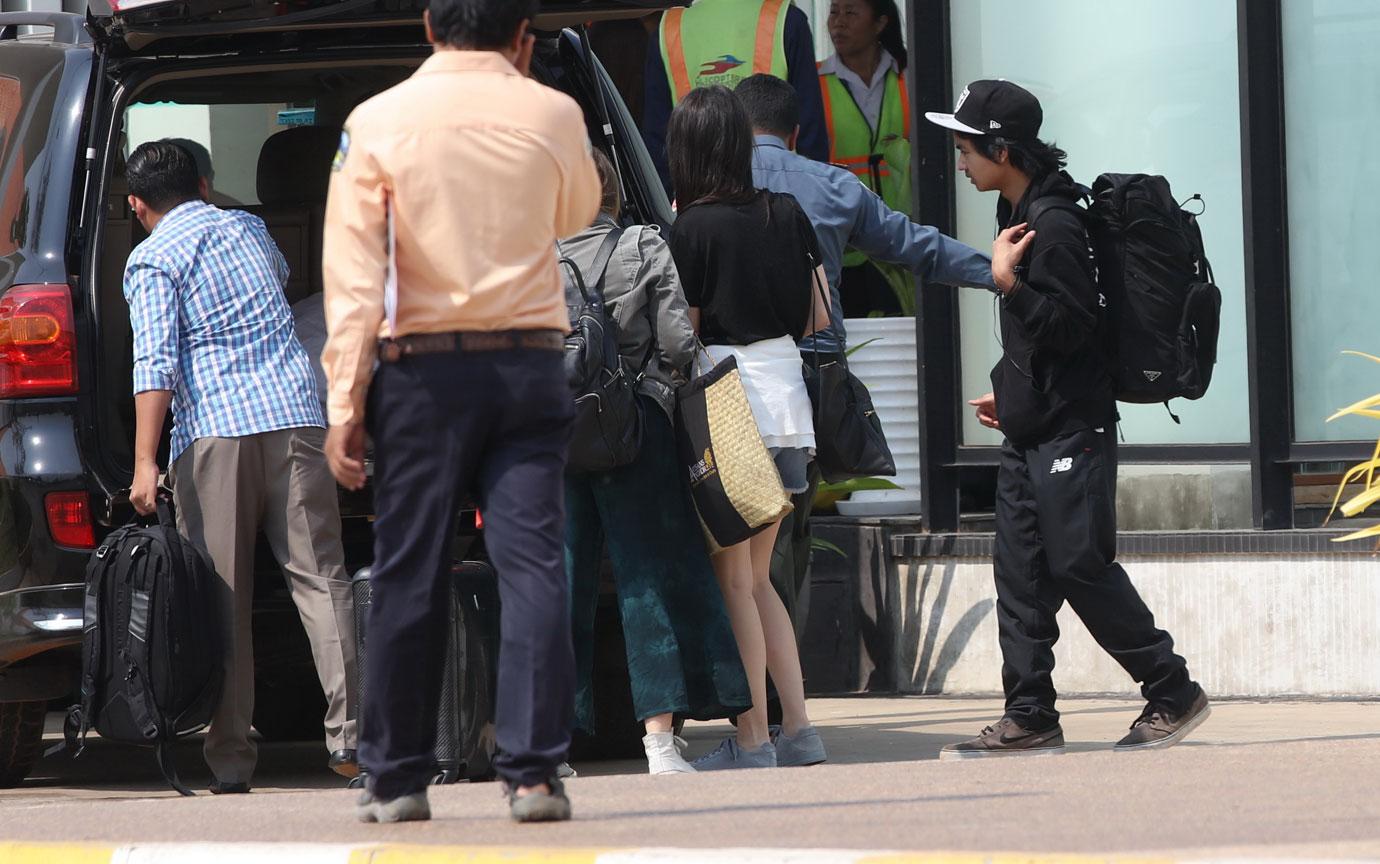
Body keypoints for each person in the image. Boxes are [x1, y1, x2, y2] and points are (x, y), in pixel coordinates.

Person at [321, 0, 599, 823]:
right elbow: (576, 214)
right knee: (534, 566)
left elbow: (354, 273)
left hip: (422, 375)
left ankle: (399, 777)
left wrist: (346, 398)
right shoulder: (554, 111)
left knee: (410, 567)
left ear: (429, 26)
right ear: (522, 38)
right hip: (529, 365)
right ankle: (534, 773)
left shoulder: (377, 121)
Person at [924, 80, 1211, 757]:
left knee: (1079, 563)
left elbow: (1074, 327)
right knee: (1019, 575)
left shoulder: (1053, 225)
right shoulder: (1016, 209)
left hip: (1072, 431)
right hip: (1034, 427)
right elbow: (1038, 343)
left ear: (1001, 148)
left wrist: (1008, 284)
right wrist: (1012, 393)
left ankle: (1172, 690)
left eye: (965, 147)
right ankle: (1030, 715)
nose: (958, 160)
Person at [122, 140, 359, 793]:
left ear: (136, 204)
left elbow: (155, 364)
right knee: (322, 579)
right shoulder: (249, 227)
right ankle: (356, 738)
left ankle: (231, 759)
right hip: (296, 420)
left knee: (224, 599)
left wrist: (145, 461)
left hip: (216, 438)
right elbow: (280, 278)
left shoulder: (152, 260)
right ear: (205, 183)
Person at [735, 72, 996, 618]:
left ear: (732, 127)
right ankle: (784, 682)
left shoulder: (699, 189)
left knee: (733, 538)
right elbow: (914, 246)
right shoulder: (832, 185)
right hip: (809, 378)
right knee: (791, 531)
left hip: (726, 375)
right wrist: (994, 272)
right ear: (796, 131)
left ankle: (746, 688)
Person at [560, 150, 751, 776]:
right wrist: (655, 391)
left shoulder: (528, 259)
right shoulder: (643, 245)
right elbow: (677, 344)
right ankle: (660, 743)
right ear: (612, 195)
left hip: (552, 437)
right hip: (636, 434)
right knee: (646, 582)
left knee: (559, 582)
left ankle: (545, 745)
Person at [666, 85, 831, 771]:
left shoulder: (692, 230)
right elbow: (820, 319)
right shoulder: (787, 212)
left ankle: (755, 739)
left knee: (736, 581)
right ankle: (800, 730)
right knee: (761, 580)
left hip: (733, 413)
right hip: (791, 411)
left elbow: (686, 335)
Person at [643, 0, 828, 195]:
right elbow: (810, 128)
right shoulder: (786, 19)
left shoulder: (671, 26)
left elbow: (657, 137)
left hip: (698, 198)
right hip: (778, 197)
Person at [817, 0, 914, 317]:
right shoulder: (814, 82)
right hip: (845, 244)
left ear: (880, 23)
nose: (838, 23)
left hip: (901, 239)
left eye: (850, 13)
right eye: (834, 12)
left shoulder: (909, 77)